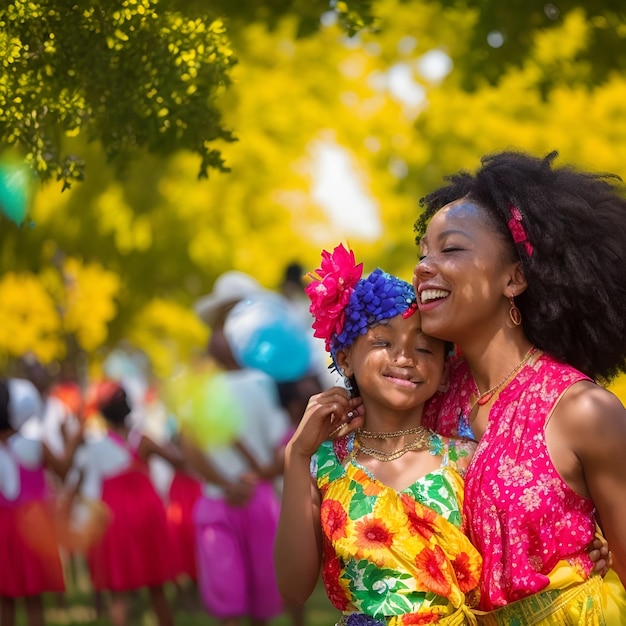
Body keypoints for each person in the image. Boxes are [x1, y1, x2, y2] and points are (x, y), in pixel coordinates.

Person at [409, 150, 626, 623]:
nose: (424, 267)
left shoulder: (582, 411)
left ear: (514, 277)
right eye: (423, 252)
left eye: (450, 249)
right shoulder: (425, 403)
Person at [274, 244, 482, 625]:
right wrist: (296, 456)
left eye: (424, 347)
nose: (404, 357)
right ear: (345, 359)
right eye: (383, 342)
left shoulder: (466, 459)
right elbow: (293, 588)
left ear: (444, 373)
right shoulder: (323, 465)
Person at [188, 270, 291, 626]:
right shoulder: (201, 389)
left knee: (264, 598)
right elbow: (192, 447)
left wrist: (257, 476)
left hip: (259, 501)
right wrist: (228, 482)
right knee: (229, 602)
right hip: (221, 501)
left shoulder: (267, 382)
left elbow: (285, 444)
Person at [70, 381, 181, 626]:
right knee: (157, 589)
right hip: (149, 515)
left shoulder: (96, 447)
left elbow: (85, 485)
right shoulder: (143, 440)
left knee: (119, 595)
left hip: (114, 518)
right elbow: (177, 461)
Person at [0, 378, 82, 626]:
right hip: (33, 527)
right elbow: (64, 470)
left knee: (4, 600)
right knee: (34, 599)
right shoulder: (36, 444)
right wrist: (72, 440)